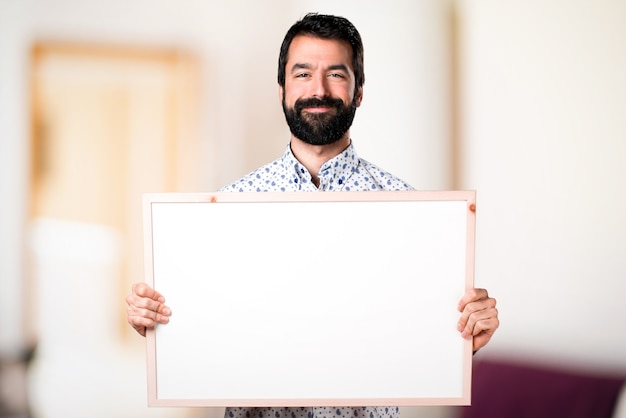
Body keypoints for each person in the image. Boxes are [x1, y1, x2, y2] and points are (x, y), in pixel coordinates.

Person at [126, 12, 499, 418]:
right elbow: (203, 334)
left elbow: (420, 338)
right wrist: (159, 325)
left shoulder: (408, 210)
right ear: (282, 88)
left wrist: (463, 336)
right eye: (302, 74)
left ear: (358, 92)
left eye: (336, 74)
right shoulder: (229, 208)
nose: (317, 89)